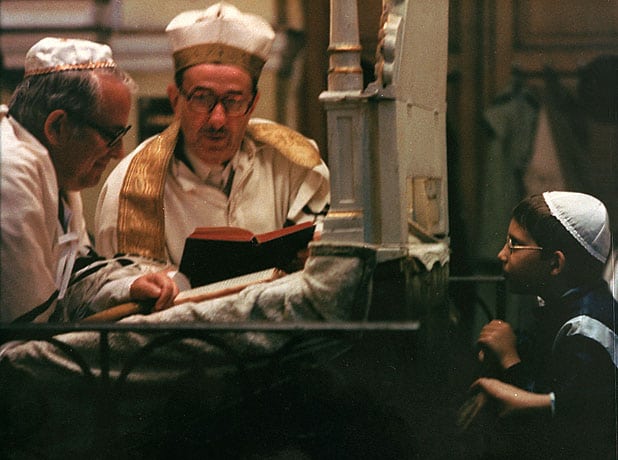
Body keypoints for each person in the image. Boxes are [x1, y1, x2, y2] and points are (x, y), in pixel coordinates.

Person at [94, 2, 330, 268]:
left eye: (233, 100)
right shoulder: (130, 189)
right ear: (176, 100)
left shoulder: (293, 164)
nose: (217, 119)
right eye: (201, 98)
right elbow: (127, 290)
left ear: (252, 105)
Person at [1, 37, 179, 323]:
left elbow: (74, 274)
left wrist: (129, 287)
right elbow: (25, 327)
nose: (119, 153)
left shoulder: (54, 170)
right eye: (112, 136)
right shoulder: (9, 170)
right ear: (57, 126)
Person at [472, 191, 617, 459]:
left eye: (514, 245)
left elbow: (555, 425)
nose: (502, 254)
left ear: (555, 263)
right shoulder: (560, 303)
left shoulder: (586, 331)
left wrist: (509, 358)